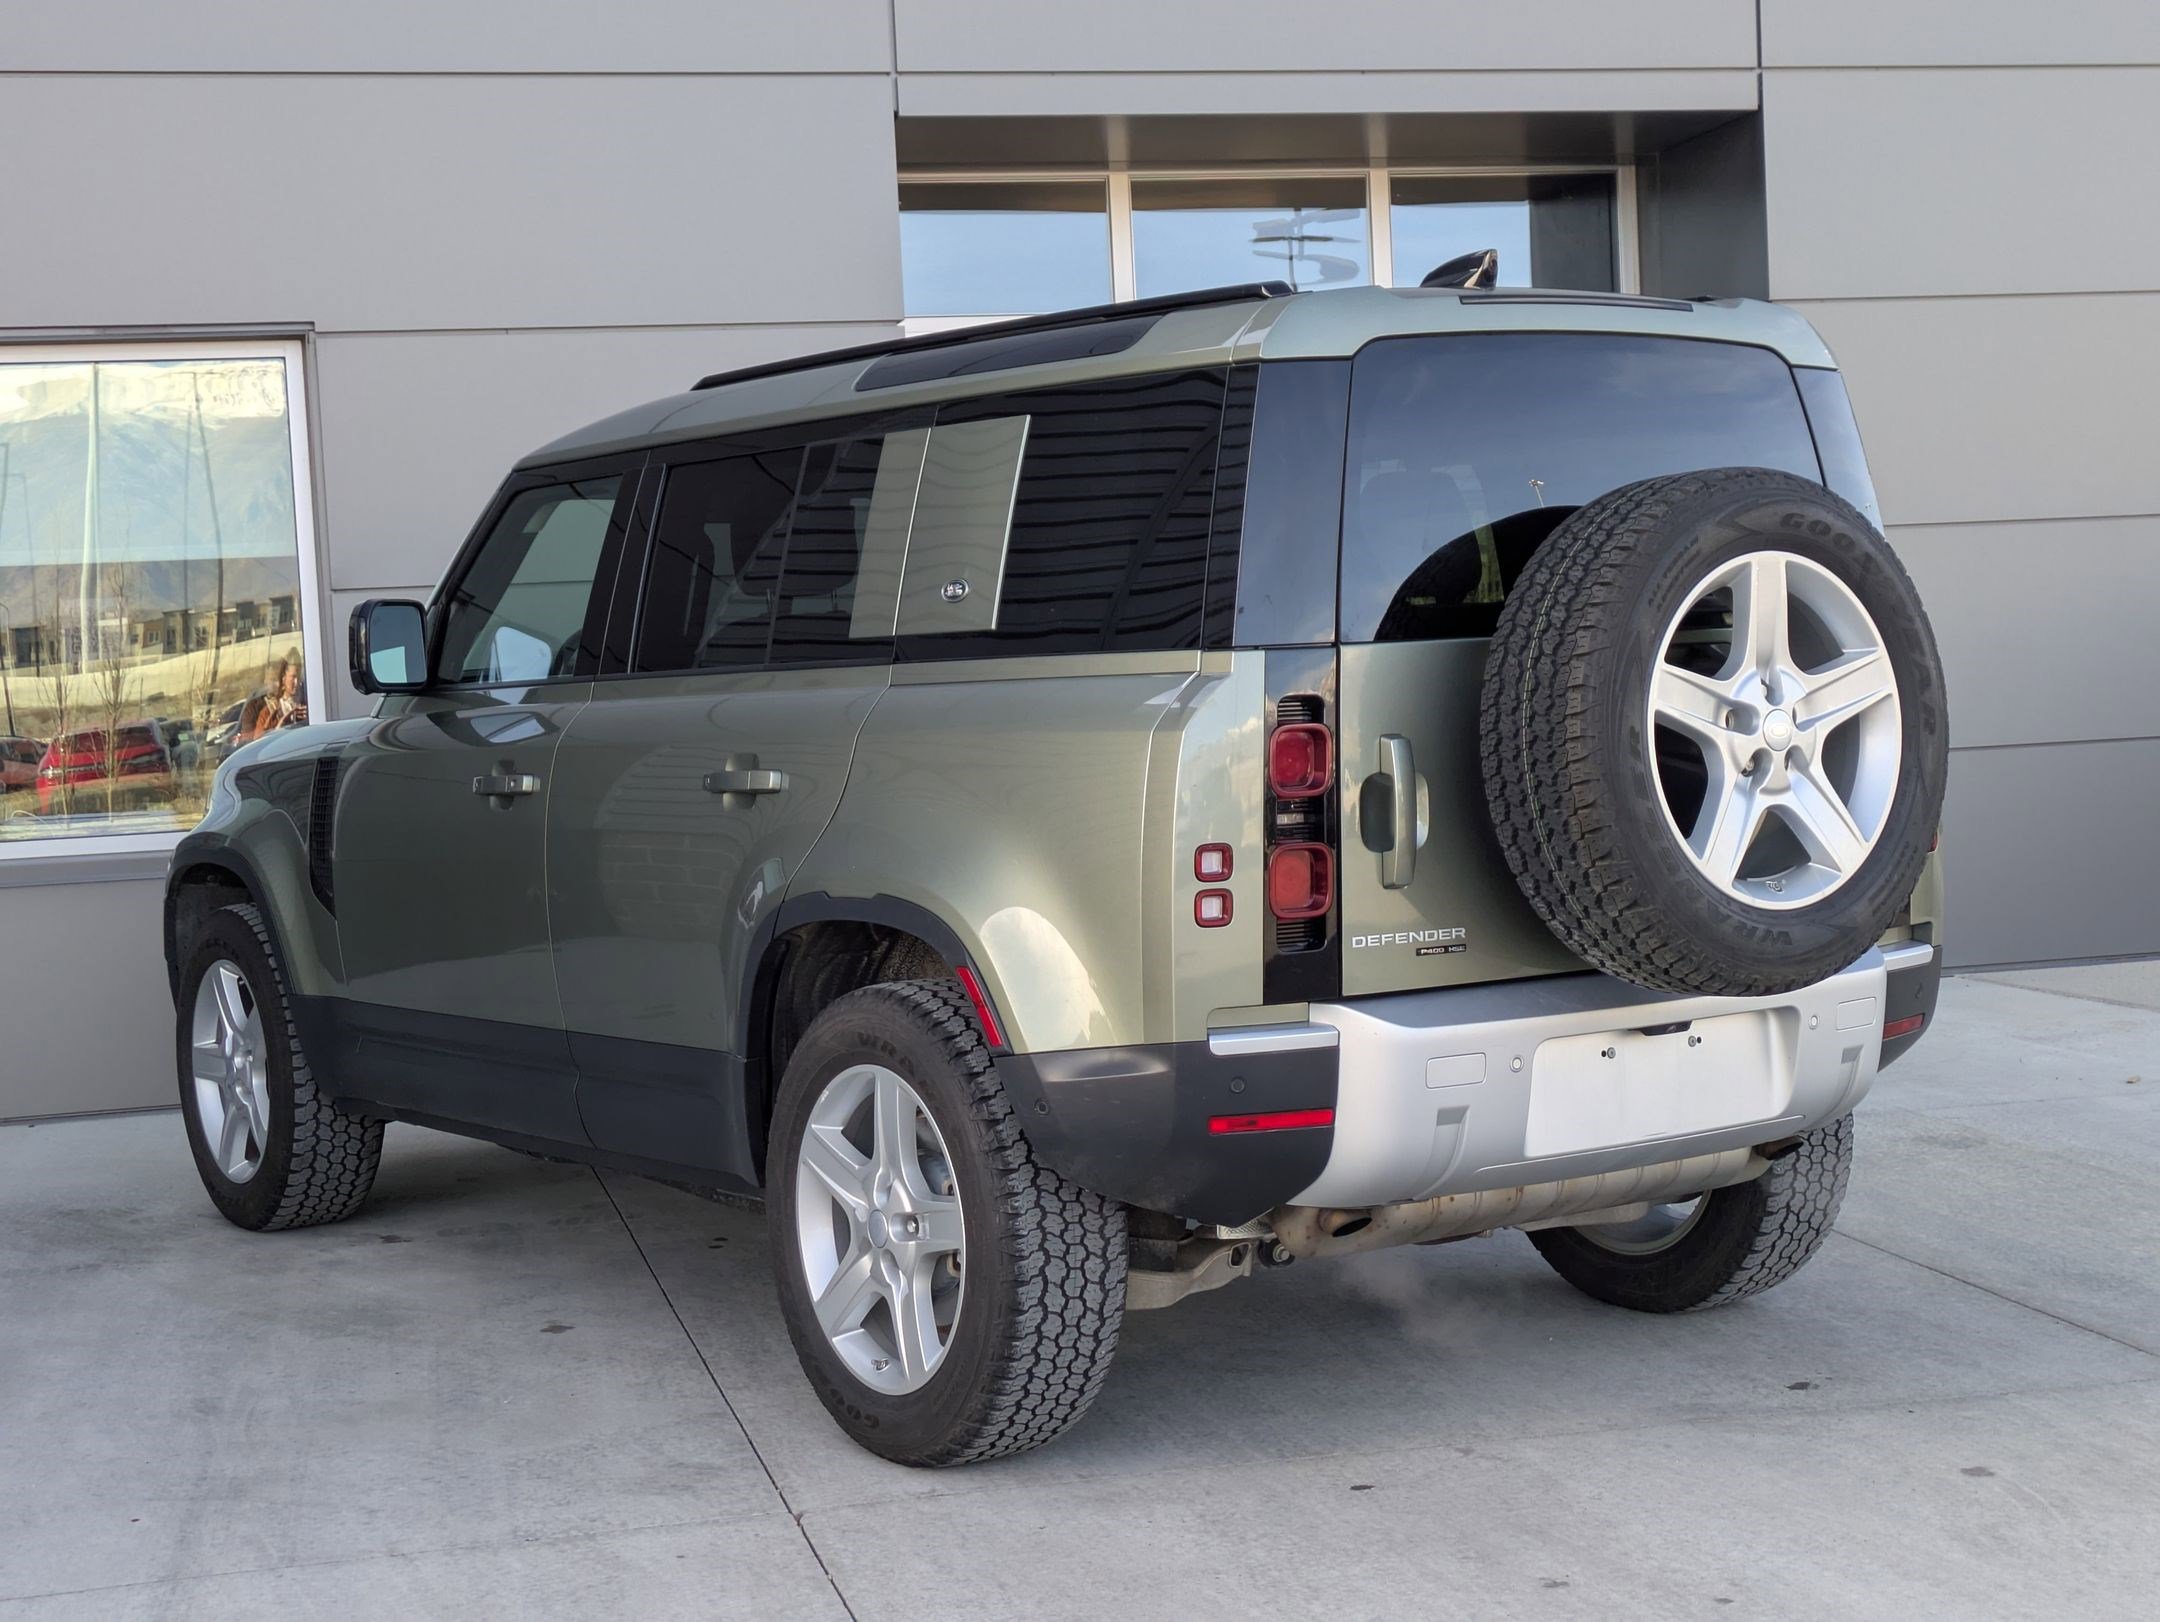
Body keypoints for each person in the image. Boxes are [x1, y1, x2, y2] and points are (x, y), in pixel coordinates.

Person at [238, 653, 308, 742]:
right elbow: (253, 743)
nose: (277, 684)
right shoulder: (258, 710)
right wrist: (279, 726)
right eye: (273, 680)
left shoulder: (304, 701)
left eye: (278, 680)